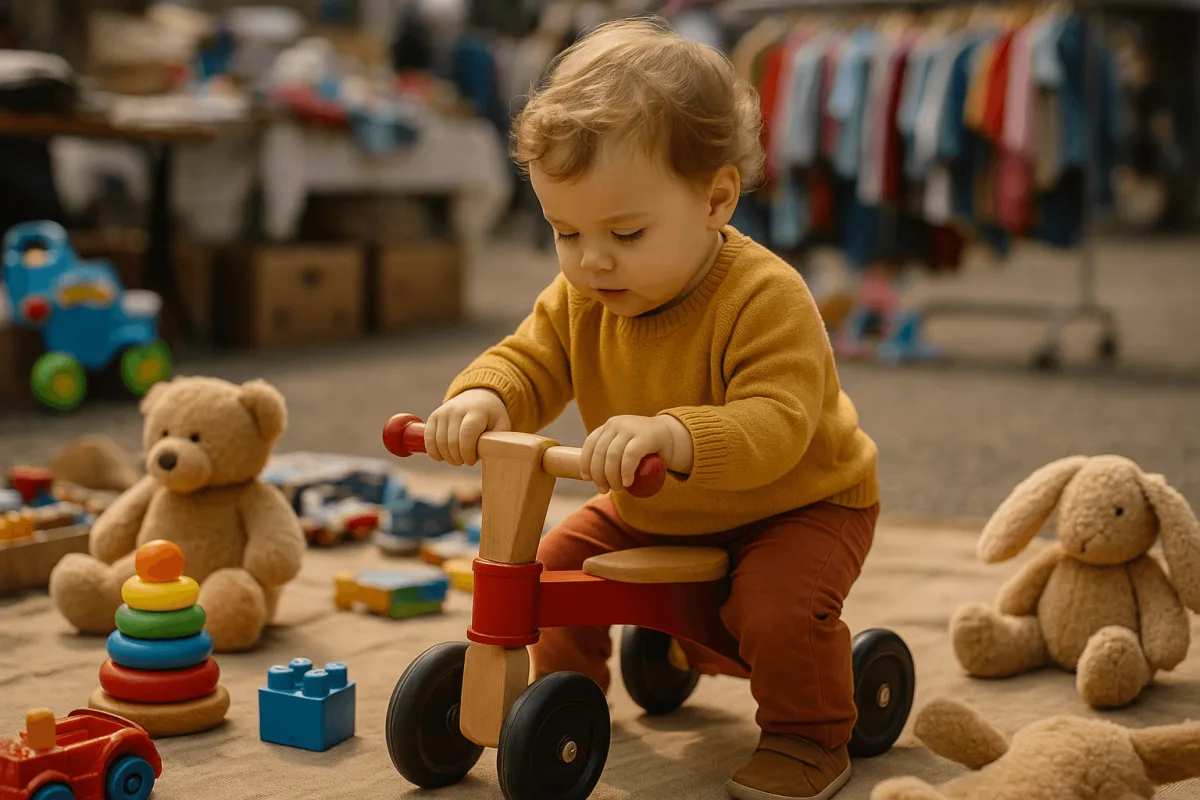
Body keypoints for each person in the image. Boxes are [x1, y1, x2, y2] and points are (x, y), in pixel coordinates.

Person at [422, 16, 880, 800]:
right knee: (550, 570)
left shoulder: (765, 297)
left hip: (795, 504)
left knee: (774, 613)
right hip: (654, 503)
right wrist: (481, 396)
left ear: (716, 199)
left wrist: (675, 434)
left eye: (625, 233)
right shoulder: (582, 295)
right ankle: (563, 705)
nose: (592, 258)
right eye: (565, 231)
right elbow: (529, 359)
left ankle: (809, 735)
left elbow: (777, 424)